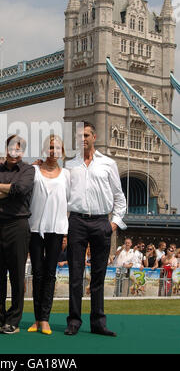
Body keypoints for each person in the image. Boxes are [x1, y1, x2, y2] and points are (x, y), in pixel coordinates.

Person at [64, 121, 127, 337]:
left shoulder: (108, 163)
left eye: (87, 135)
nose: (83, 139)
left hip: (101, 222)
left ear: (95, 137)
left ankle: (98, 323)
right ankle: (74, 321)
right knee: (75, 273)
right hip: (77, 222)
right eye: (79, 136)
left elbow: (119, 196)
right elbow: (63, 198)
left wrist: (114, 223)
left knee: (99, 274)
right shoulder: (70, 165)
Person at [0, 135, 35, 335]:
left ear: (22, 152)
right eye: (11, 148)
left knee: (17, 275)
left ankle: (13, 320)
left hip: (17, 225)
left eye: (18, 149)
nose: (14, 152)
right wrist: (11, 190)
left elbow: (21, 189)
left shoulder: (29, 170)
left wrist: (0, 188)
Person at [27, 135, 70, 335]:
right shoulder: (33, 171)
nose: (53, 151)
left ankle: (45, 319)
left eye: (57, 148)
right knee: (37, 273)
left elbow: (70, 203)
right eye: (50, 147)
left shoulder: (67, 175)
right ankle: (36, 318)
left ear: (62, 151)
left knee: (50, 274)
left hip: (57, 229)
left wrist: (66, 233)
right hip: (35, 229)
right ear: (45, 150)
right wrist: (30, 164)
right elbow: (20, 183)